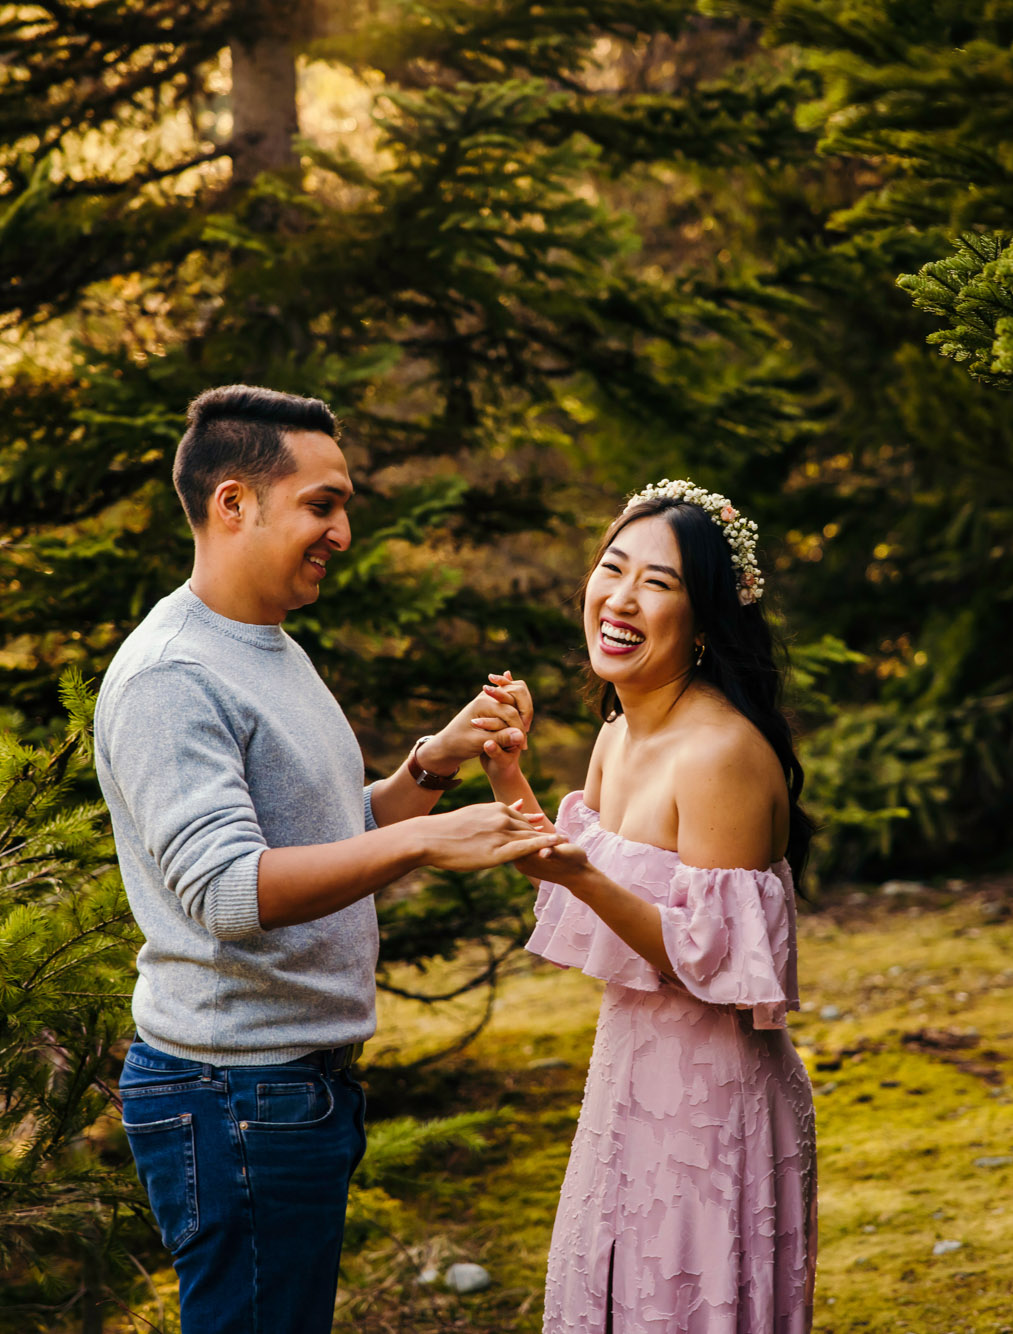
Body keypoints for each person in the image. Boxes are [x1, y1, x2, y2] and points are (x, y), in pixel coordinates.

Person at [92, 385, 560, 1334]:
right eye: (323, 504)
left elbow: (324, 831)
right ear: (233, 503)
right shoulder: (172, 676)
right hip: (233, 1095)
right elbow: (228, 892)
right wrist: (425, 840)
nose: (343, 531)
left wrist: (430, 766)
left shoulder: (266, 647)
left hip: (289, 1086)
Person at [479, 479, 819, 1332]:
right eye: (612, 568)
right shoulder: (618, 732)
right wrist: (506, 770)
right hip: (627, 1080)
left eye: (658, 584)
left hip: (713, 1103)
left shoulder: (720, 756)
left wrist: (584, 877)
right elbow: (564, 871)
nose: (621, 599)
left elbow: (711, 961)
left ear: (704, 622)